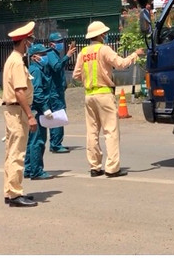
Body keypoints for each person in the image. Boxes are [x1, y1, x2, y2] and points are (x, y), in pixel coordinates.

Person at [72, 21, 145, 178]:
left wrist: (88, 80)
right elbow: (120, 64)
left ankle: (95, 166)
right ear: (99, 35)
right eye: (103, 33)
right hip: (104, 94)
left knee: (92, 131)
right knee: (110, 131)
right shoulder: (104, 50)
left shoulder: (83, 52)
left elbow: (76, 75)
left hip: (89, 95)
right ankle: (112, 168)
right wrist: (135, 54)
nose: (105, 35)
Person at [2, 21, 39, 208]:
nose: (31, 45)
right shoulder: (17, 62)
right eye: (30, 41)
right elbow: (19, 91)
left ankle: (10, 190)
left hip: (12, 110)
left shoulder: (13, 59)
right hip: (17, 111)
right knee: (17, 152)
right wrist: (30, 115)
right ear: (24, 42)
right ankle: (15, 194)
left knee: (11, 152)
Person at [23, 43, 54, 180]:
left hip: (36, 108)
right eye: (42, 55)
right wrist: (45, 108)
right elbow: (37, 92)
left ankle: (29, 168)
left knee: (32, 141)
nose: (45, 57)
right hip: (38, 109)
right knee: (38, 141)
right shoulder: (36, 70)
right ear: (35, 57)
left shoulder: (39, 69)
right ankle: (36, 171)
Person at [46, 32, 76, 153]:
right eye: (58, 42)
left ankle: (56, 143)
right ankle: (56, 144)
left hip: (57, 90)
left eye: (61, 42)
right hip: (54, 92)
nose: (60, 44)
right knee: (58, 117)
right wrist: (68, 56)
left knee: (57, 117)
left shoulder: (55, 54)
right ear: (52, 44)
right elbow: (57, 67)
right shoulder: (50, 54)